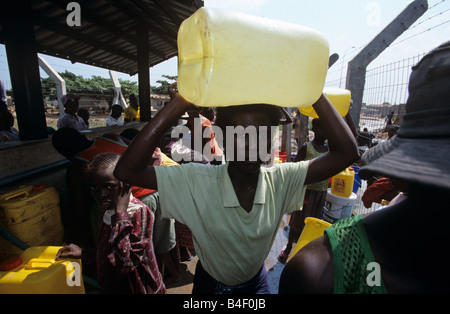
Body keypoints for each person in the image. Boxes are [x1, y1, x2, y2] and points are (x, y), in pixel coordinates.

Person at [114, 82, 359, 294]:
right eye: (241, 135)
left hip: (256, 285)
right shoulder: (196, 179)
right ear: (219, 138)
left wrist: (314, 93)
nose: (252, 145)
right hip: (210, 286)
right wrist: (178, 104)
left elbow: (347, 152)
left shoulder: (282, 179)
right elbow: (126, 171)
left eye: (262, 134)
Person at [279, 41, 450, 294]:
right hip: (307, 193)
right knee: (298, 225)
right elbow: (346, 152)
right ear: (400, 178)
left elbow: (349, 148)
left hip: (320, 193)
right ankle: (288, 245)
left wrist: (342, 109)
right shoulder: (322, 275)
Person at [57, 152, 166, 294]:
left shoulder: (137, 212)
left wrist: (121, 214)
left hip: (140, 288)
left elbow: (126, 263)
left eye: (109, 186)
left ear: (126, 184)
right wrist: (85, 254)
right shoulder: (109, 210)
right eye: (94, 188)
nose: (101, 194)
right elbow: (112, 251)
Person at [278, 118, 329, 264]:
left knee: (315, 223)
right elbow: (296, 171)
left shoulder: (329, 149)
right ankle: (288, 249)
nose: (325, 133)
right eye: (322, 129)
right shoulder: (307, 148)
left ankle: (306, 251)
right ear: (315, 129)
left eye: (327, 129)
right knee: (297, 222)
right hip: (307, 192)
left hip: (321, 193)